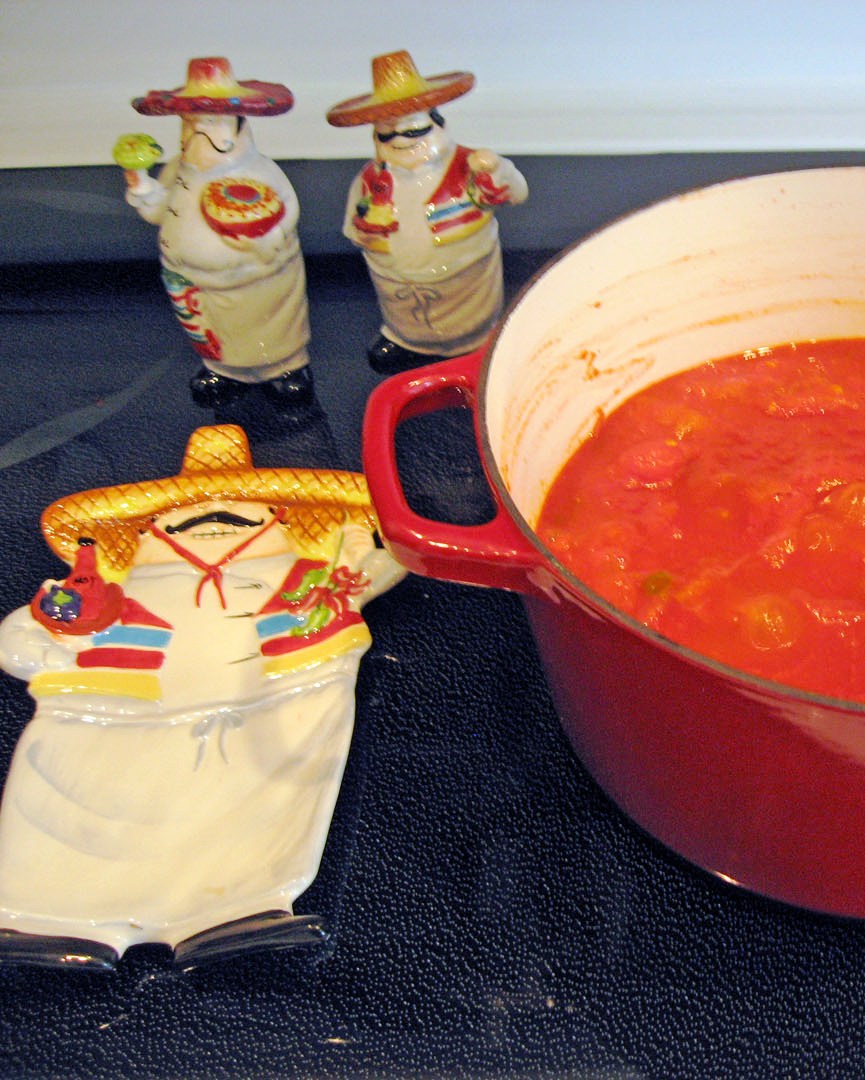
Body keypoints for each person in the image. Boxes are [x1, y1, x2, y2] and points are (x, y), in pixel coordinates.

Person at [0, 425, 403, 969]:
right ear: (148, 533)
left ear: (279, 522)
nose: (214, 525)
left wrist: (368, 555)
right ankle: (49, 919)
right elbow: (28, 632)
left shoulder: (305, 581)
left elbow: (379, 569)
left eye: (241, 515)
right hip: (113, 722)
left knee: (248, 811)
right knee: (78, 815)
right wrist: (42, 650)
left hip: (258, 715)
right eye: (183, 518)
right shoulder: (104, 596)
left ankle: (233, 915)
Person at [121, 58, 314, 408]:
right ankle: (224, 371)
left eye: (210, 122)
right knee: (216, 334)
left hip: (259, 280)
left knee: (268, 325)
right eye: (191, 123)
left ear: (238, 128)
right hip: (193, 283)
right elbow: (157, 211)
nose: (198, 132)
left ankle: (285, 370)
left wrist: (258, 236)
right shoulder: (178, 170)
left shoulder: (261, 171)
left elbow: (287, 214)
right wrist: (141, 185)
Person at [327, 50, 529, 372]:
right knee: (406, 323)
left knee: (471, 325)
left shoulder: (469, 167)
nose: (402, 141)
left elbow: (515, 193)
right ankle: (407, 342)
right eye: (388, 134)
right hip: (401, 296)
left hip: (466, 286)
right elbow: (355, 229)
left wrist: (497, 172)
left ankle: (474, 344)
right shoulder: (369, 181)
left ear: (436, 123)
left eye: (413, 131)